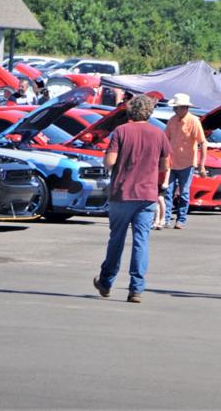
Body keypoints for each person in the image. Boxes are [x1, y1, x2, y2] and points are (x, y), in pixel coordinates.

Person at [94, 95, 171, 303]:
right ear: (149, 112)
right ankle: (136, 288)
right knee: (141, 241)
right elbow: (165, 165)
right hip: (147, 194)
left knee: (116, 239)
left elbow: (110, 162)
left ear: (130, 111)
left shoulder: (121, 131)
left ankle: (106, 281)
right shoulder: (158, 133)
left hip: (122, 192)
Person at [163, 93, 207, 229]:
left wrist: (201, 165)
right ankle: (166, 218)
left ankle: (181, 219)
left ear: (185, 108)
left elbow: (203, 142)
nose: (175, 110)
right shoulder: (172, 120)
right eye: (174, 108)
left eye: (176, 108)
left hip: (187, 163)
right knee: (168, 191)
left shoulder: (194, 121)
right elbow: (165, 139)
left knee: (184, 193)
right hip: (171, 162)